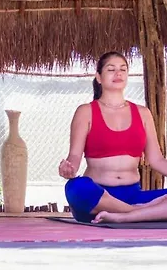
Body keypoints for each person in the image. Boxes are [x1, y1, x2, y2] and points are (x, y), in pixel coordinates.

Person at [59, 51, 167, 224]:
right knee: (76, 188)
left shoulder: (143, 113)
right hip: (99, 196)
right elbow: (74, 156)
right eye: (111, 69)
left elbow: (157, 160)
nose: (118, 73)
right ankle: (140, 213)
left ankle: (125, 216)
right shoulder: (85, 111)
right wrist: (68, 169)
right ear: (98, 77)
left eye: (123, 69)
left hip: (134, 195)